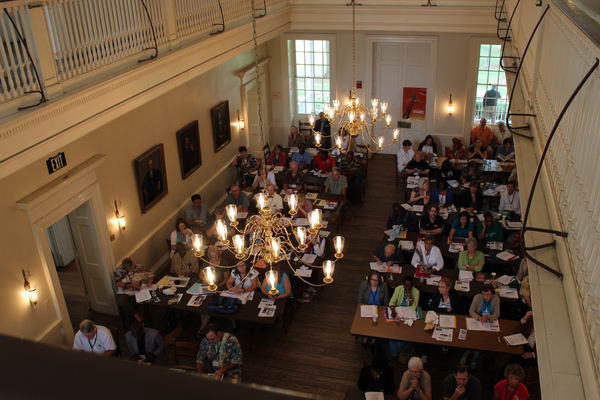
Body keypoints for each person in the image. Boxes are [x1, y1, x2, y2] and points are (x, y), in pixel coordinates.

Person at [114, 257, 154, 329]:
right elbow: (118, 283)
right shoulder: (120, 271)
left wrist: (149, 282)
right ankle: (138, 318)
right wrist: (131, 285)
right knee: (121, 301)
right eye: (128, 269)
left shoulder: (138, 267)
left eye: (131, 268)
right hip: (125, 292)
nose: (130, 270)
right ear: (124, 267)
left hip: (137, 290)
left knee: (145, 297)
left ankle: (147, 318)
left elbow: (151, 274)